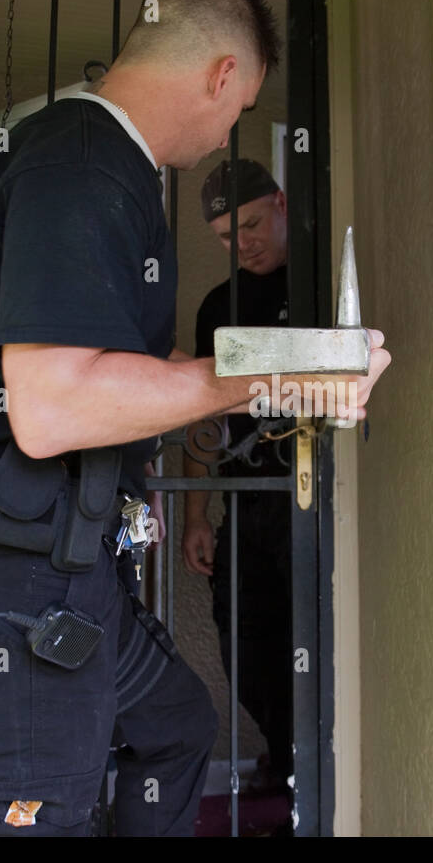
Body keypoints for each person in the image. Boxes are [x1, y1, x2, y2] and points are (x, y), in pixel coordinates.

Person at [0, 0, 390, 837]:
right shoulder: (84, 162)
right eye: (241, 113)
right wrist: (261, 380)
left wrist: (297, 367)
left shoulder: (88, 159)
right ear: (223, 76)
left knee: (175, 729)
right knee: (30, 812)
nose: (229, 129)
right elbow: (54, 407)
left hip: (60, 569)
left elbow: (123, 368)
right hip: (10, 584)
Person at [183, 158, 293, 796]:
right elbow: (203, 417)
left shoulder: (313, 282)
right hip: (245, 505)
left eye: (251, 224)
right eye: (227, 235)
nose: (242, 243)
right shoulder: (218, 306)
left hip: (310, 498)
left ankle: (299, 777)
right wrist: (197, 515)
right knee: (246, 653)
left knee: (307, 644)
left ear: (280, 203)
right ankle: (285, 761)